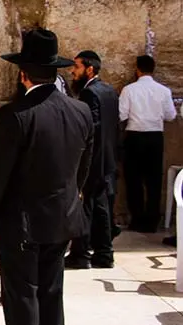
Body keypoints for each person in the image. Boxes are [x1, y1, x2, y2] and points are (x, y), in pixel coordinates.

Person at [0, 29, 93, 325]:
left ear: (23, 73)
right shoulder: (81, 110)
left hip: (22, 223)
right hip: (62, 217)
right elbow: (83, 168)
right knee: (51, 288)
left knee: (21, 293)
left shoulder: (16, 114)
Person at [65, 51, 120, 269]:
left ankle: (80, 254)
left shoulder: (90, 94)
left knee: (84, 206)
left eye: (76, 67)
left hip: (93, 159)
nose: (72, 71)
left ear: (89, 69)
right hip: (107, 158)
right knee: (101, 206)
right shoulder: (109, 91)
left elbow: (92, 126)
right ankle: (104, 253)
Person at [119, 55, 176, 233]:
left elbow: (121, 114)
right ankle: (152, 220)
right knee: (153, 180)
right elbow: (171, 116)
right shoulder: (164, 91)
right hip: (155, 137)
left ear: (137, 69)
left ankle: (137, 219)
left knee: (133, 179)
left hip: (135, 136)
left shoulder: (129, 90)